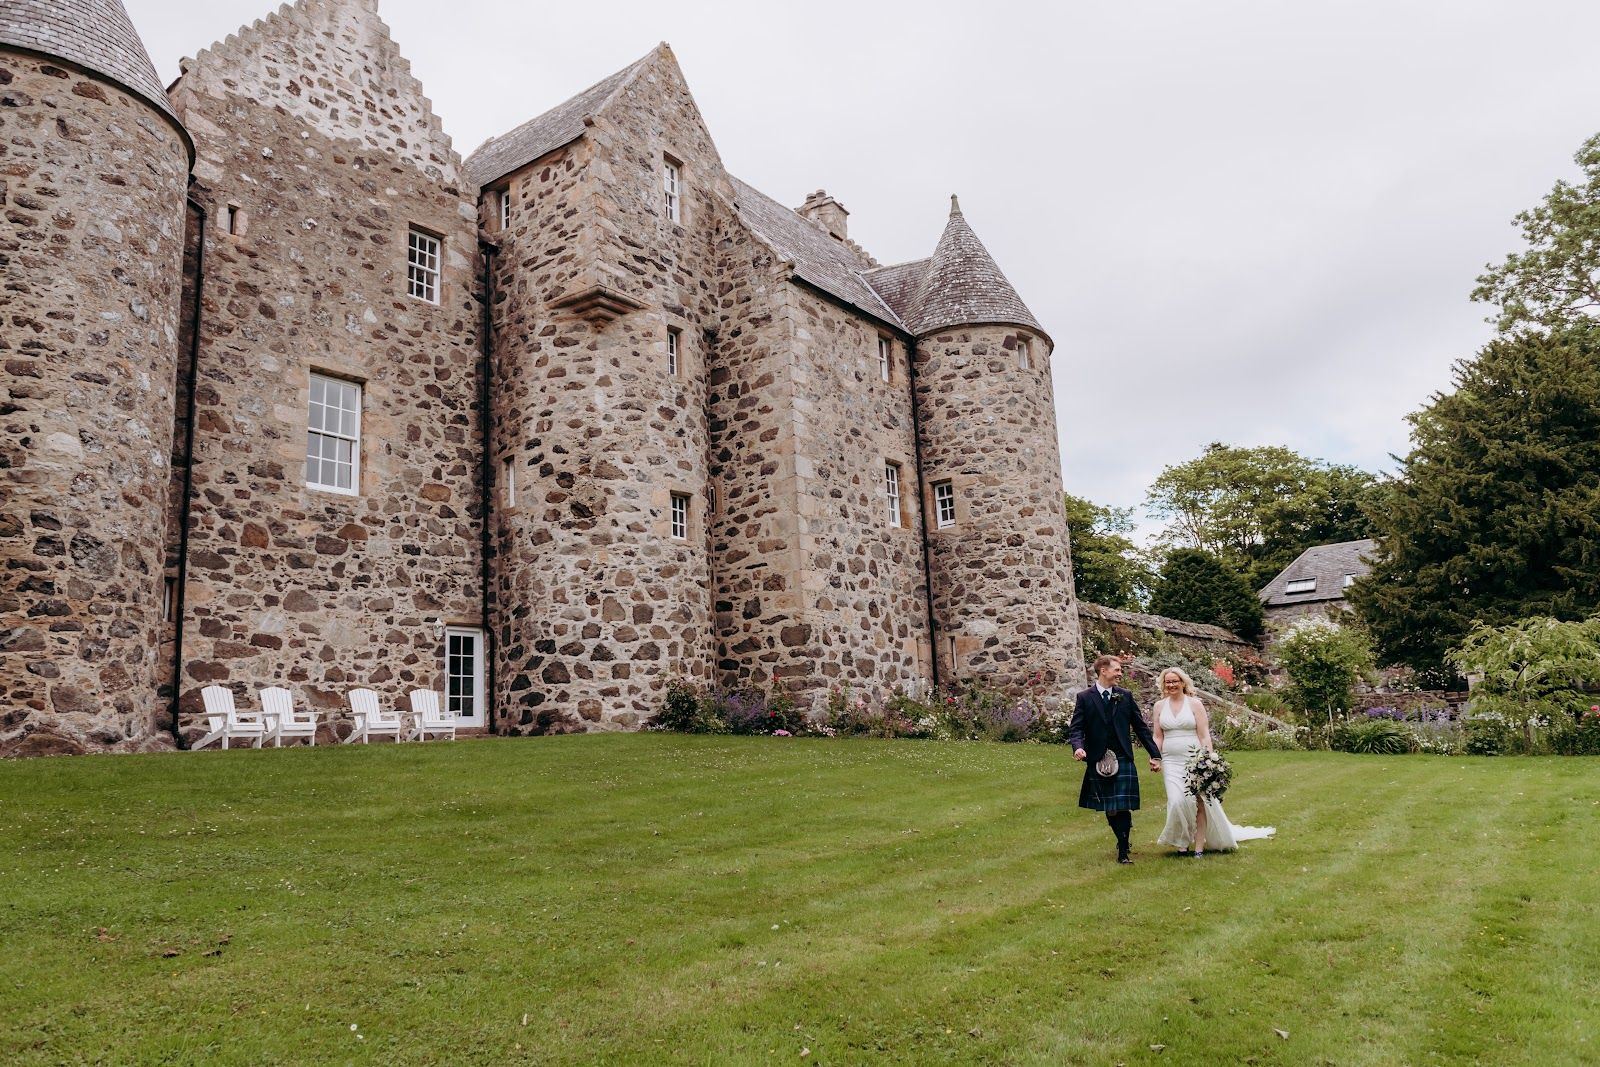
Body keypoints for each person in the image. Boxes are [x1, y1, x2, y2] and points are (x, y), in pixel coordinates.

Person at [1151, 667, 1275, 856]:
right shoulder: (1160, 706)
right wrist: (1155, 756)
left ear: (1183, 682)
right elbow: (1158, 736)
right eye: (1168, 682)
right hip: (1171, 761)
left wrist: (1207, 760)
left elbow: (1204, 735)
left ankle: (1198, 848)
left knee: (1199, 802)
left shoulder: (1194, 704)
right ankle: (1182, 842)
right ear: (1163, 684)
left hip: (1194, 760)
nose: (1171, 685)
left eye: (1175, 681)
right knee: (1177, 801)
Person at [1069, 654, 1162, 864]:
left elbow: (1140, 727)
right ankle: (1121, 839)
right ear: (1103, 670)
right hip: (1098, 757)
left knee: (1122, 805)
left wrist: (1154, 754)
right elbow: (1076, 728)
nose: (1120, 673)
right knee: (1110, 807)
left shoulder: (1125, 696)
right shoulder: (1085, 697)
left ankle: (1123, 849)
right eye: (1117, 670)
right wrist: (1078, 748)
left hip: (1122, 754)